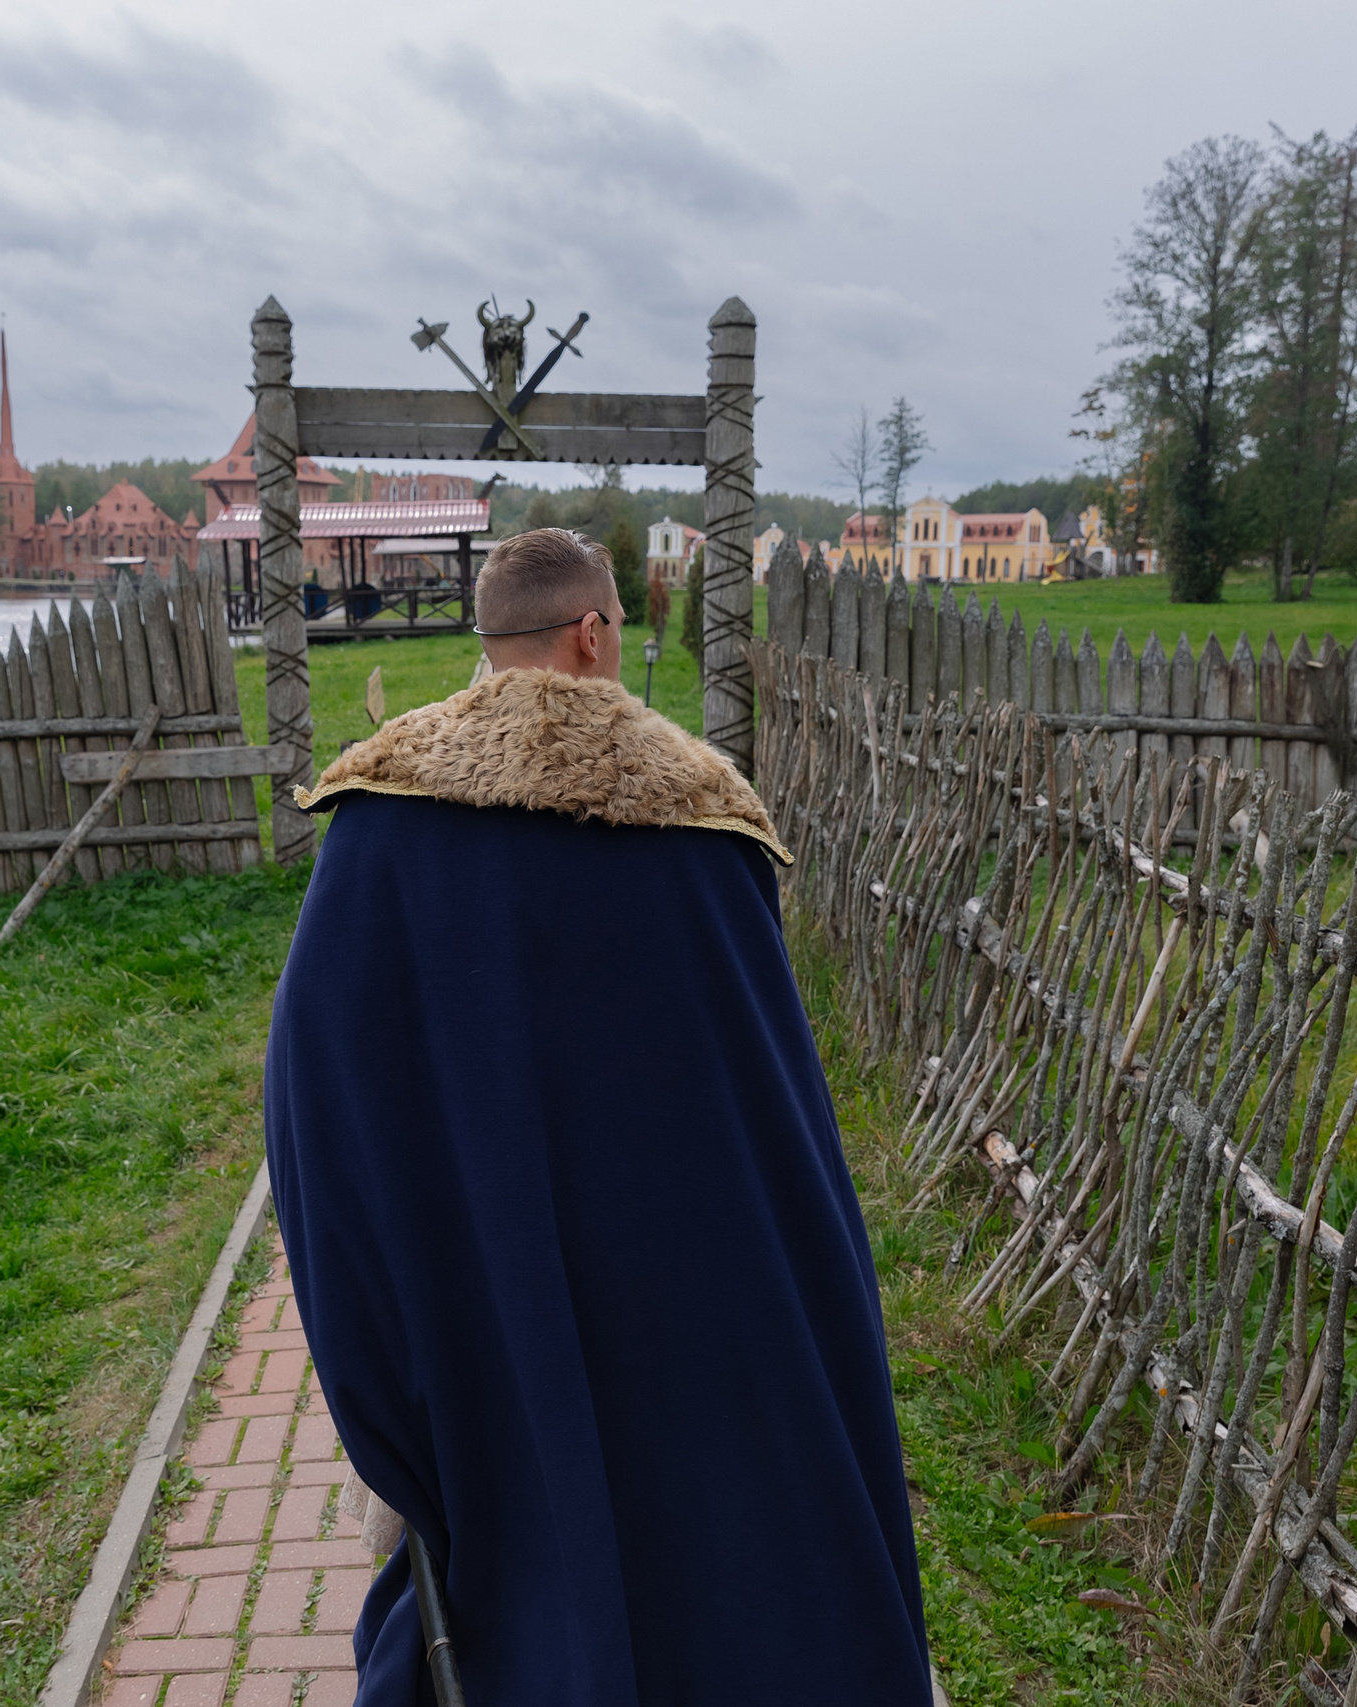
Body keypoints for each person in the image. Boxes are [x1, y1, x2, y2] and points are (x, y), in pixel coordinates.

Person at [265, 527, 937, 1706]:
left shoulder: (378, 816)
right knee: (708, 1558)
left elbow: (315, 1100)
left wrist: (392, 1332)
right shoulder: (702, 819)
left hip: (488, 1290)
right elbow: (773, 1105)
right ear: (594, 634)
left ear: (491, 641)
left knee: (520, 1541)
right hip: (696, 1292)